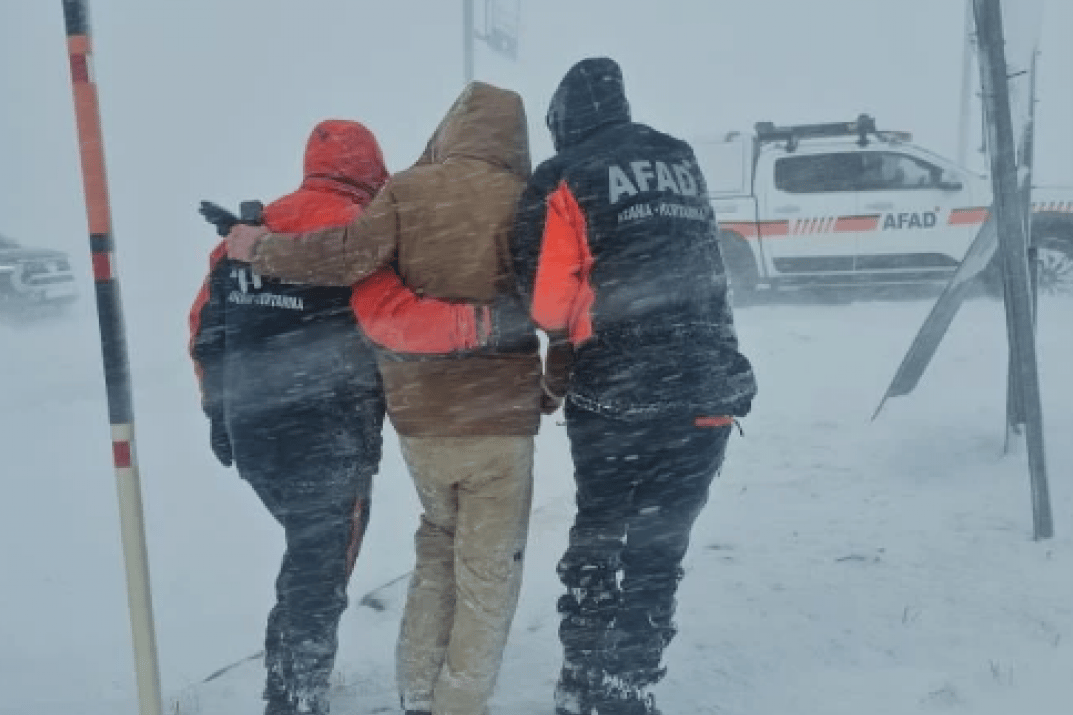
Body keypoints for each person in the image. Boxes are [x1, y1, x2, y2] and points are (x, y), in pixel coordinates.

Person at [227, 81, 542, 715]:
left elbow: (333, 262)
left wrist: (262, 250)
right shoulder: (526, 198)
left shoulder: (397, 192)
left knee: (435, 546)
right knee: (484, 570)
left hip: (406, 421)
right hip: (483, 418)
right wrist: (543, 374)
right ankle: (453, 701)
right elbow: (557, 301)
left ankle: (414, 688)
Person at [510, 58, 758, 715]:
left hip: (616, 392)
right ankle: (629, 685)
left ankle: (583, 675)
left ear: (563, 118)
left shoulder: (562, 176)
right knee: (659, 546)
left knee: (600, 529)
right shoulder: (677, 156)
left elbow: (547, 305)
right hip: (708, 383)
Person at [188, 120, 391, 715]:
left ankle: (293, 680)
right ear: (372, 168)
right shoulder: (363, 235)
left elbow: (205, 329)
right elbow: (390, 325)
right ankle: (295, 695)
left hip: (253, 431)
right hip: (329, 436)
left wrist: (216, 409)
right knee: (320, 568)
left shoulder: (246, 233)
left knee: (307, 553)